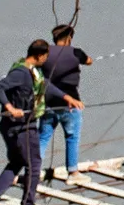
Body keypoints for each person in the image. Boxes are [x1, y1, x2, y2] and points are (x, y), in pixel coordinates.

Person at [0, 39, 83, 205]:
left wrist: (66, 98)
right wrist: (10, 107)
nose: (46, 60)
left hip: (21, 126)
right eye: (45, 56)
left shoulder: (34, 72)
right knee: (34, 165)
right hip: (20, 127)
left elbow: (45, 85)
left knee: (17, 162)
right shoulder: (21, 73)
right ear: (39, 55)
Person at [39, 24, 92, 186]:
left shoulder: (45, 53)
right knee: (72, 137)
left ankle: (32, 171)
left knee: (42, 138)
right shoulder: (76, 52)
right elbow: (89, 61)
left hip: (48, 103)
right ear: (69, 38)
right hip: (71, 103)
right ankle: (73, 172)